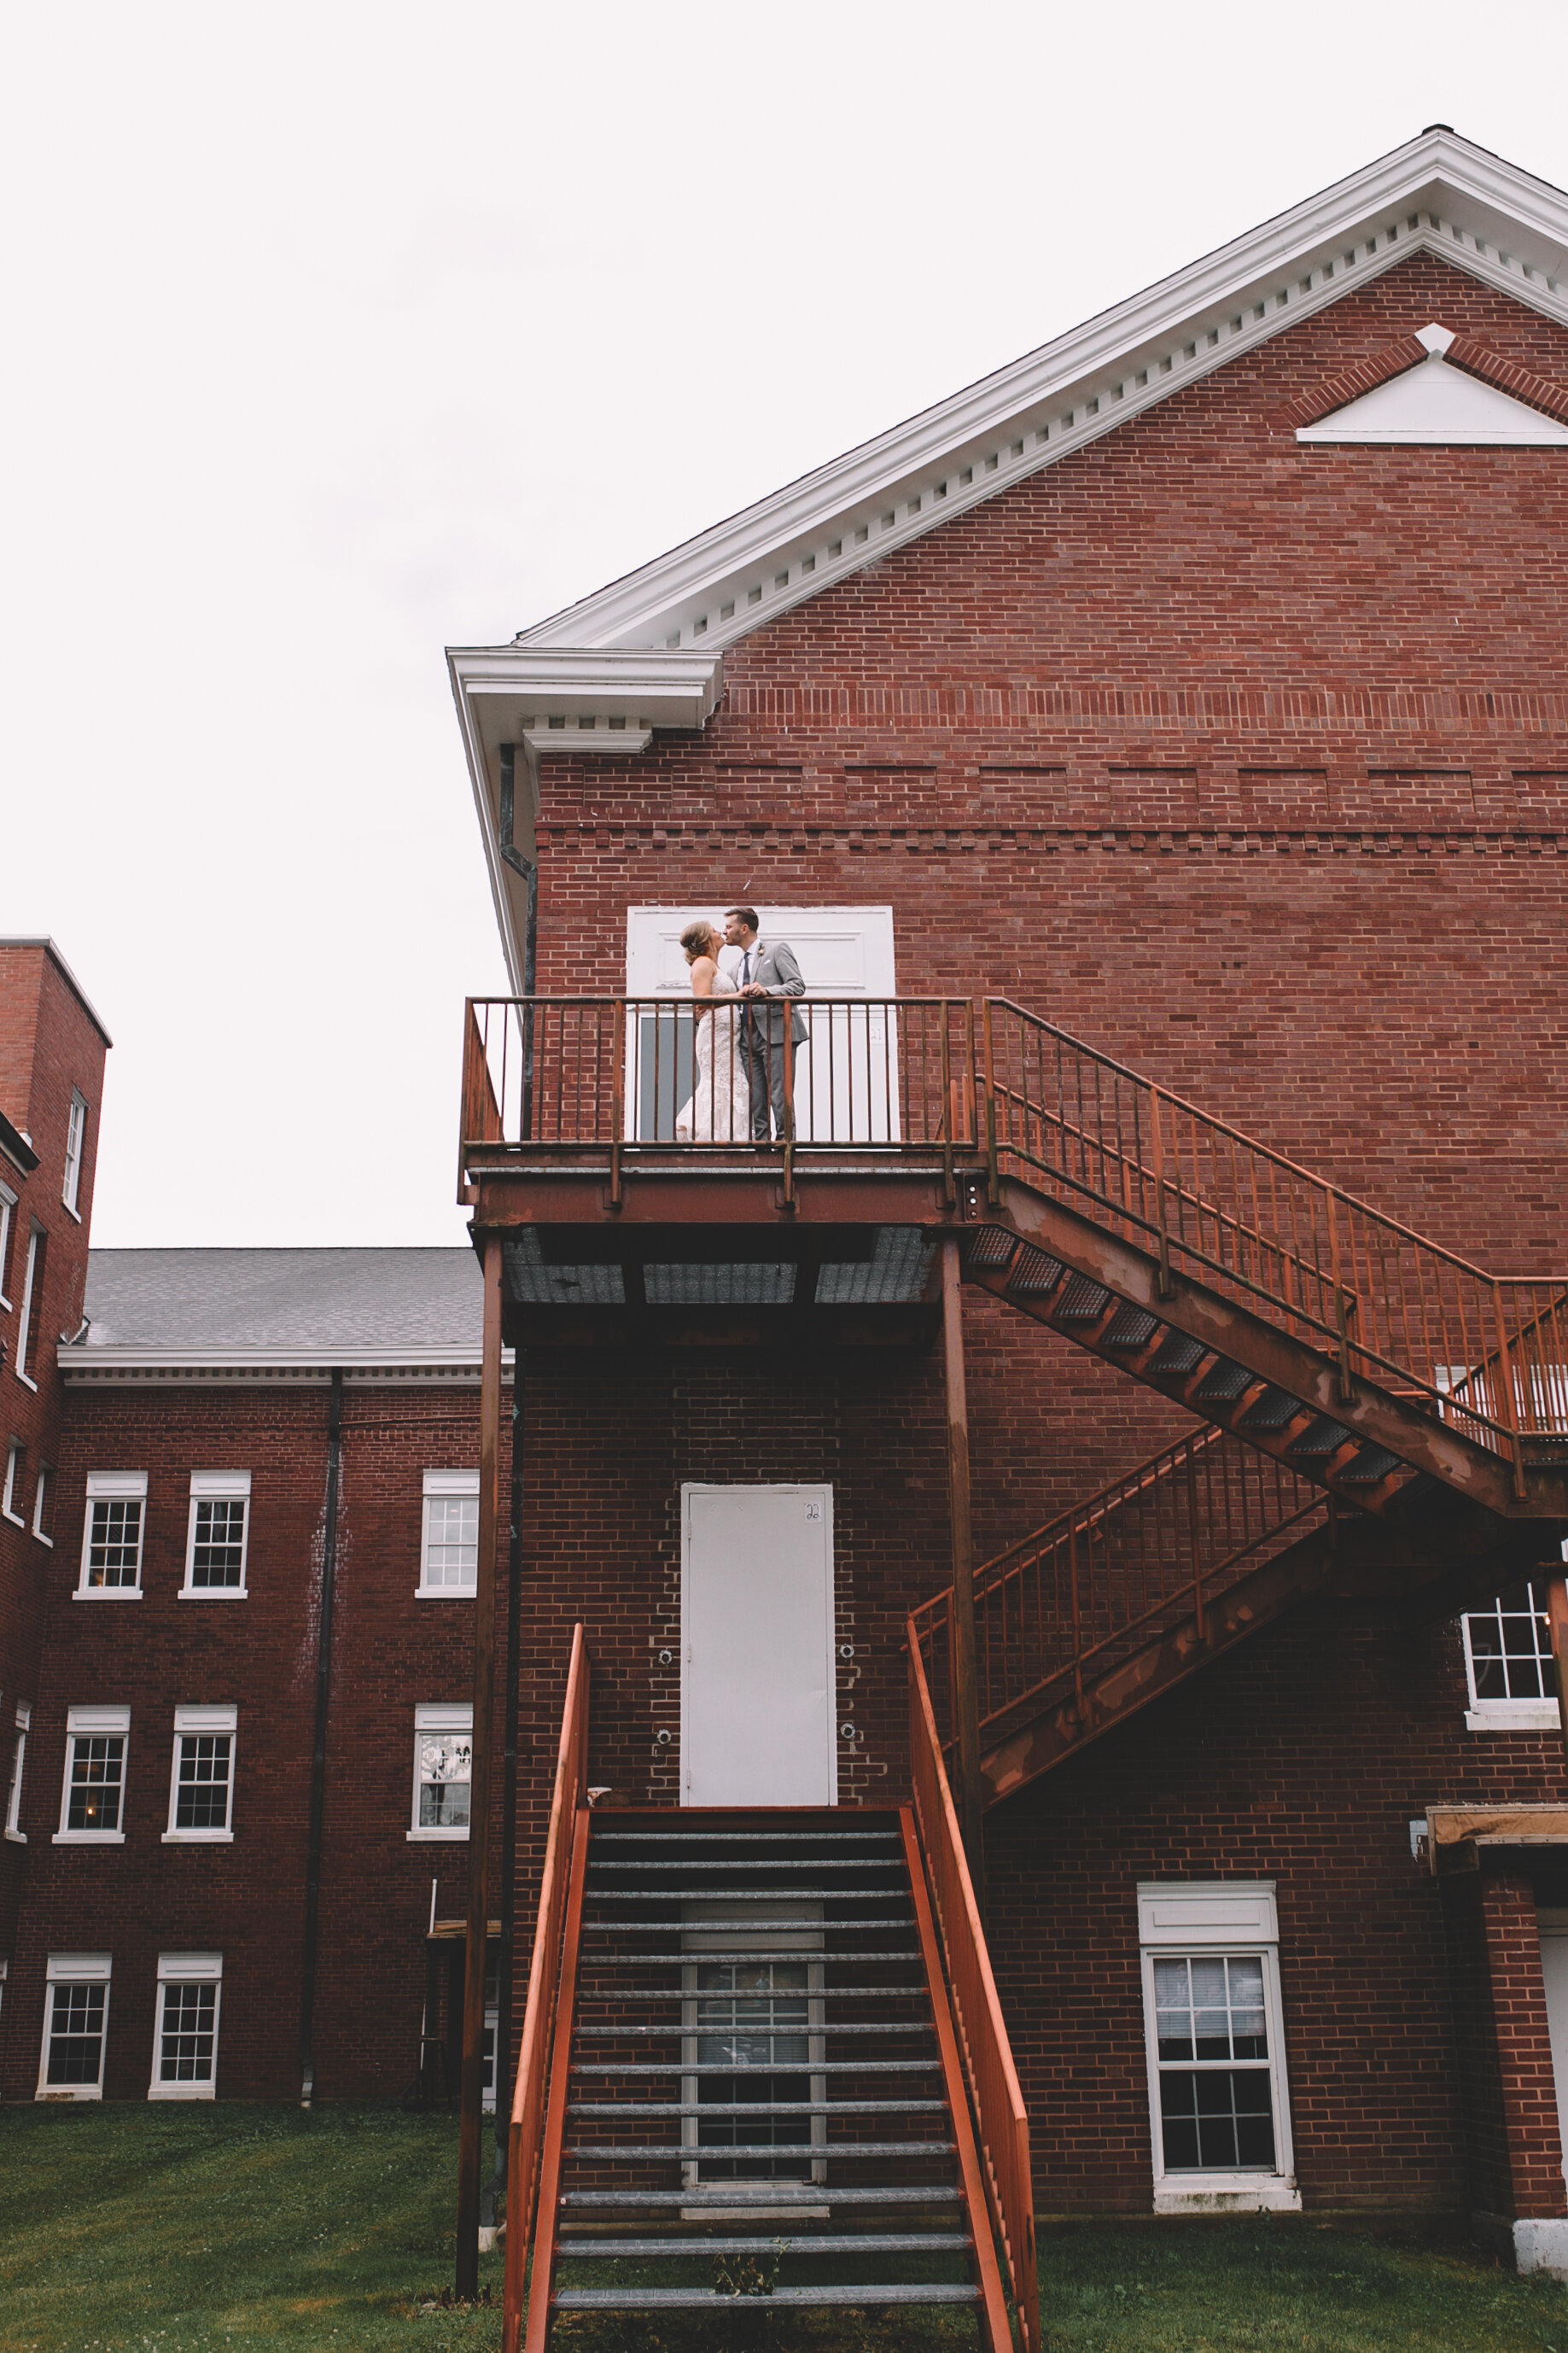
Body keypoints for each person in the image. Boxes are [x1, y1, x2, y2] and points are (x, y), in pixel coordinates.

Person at [724, 906, 807, 1142]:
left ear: (744, 928)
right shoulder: (735, 968)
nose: (725, 931)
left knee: (780, 1095)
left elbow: (797, 985)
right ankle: (761, 1146)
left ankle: (785, 1146)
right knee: (755, 1097)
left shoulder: (775, 949)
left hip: (777, 1033)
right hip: (747, 1038)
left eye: (729, 926)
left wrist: (768, 991)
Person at [673, 920, 752, 1142]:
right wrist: (739, 996)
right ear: (706, 940)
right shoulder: (702, 963)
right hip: (715, 1036)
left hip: (728, 1037)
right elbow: (703, 999)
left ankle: (728, 1136)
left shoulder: (715, 966)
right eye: (715, 931)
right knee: (721, 1082)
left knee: (734, 1083)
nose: (721, 932)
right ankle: (704, 1132)